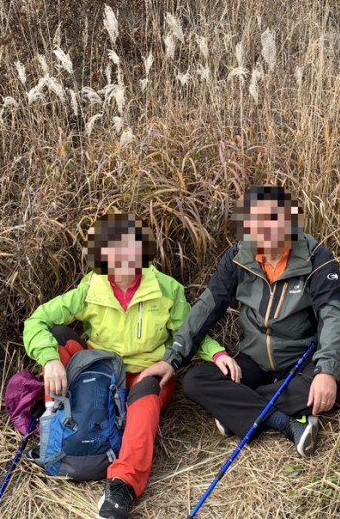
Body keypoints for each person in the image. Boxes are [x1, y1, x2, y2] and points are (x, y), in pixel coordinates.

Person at [22, 213, 226, 519]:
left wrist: (218, 354)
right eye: (113, 249)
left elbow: (190, 332)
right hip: (102, 374)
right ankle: (56, 433)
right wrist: (50, 359)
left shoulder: (166, 289)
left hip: (147, 372)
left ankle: (121, 485)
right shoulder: (91, 288)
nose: (123, 257)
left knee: (145, 398)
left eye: (131, 247)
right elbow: (36, 320)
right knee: (59, 338)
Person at [139, 186, 340, 457]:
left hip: (300, 361)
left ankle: (237, 409)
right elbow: (207, 307)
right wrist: (172, 358)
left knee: (328, 391)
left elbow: (335, 316)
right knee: (196, 381)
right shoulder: (238, 257)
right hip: (253, 360)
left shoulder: (316, 258)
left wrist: (327, 372)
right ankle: (283, 420)